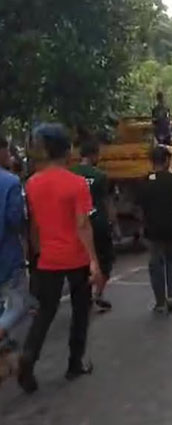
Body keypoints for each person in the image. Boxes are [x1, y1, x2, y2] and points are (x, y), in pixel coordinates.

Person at [18, 124, 102, 393]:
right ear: (67, 151)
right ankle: (74, 363)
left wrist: (36, 251)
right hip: (76, 257)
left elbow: (33, 227)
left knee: (45, 311)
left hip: (47, 258)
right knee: (80, 311)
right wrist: (94, 261)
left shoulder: (32, 183)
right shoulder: (77, 183)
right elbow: (82, 226)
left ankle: (29, 356)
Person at [70, 141, 115, 312]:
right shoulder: (100, 176)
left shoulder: (71, 173)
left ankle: (84, 296)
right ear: (93, 155)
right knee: (105, 260)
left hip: (77, 223)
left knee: (81, 262)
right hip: (98, 222)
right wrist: (113, 222)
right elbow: (107, 202)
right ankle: (99, 293)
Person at [138, 147, 172, 314]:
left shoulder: (145, 181)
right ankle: (171, 297)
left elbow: (141, 209)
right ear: (166, 160)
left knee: (156, 265)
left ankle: (159, 302)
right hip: (171, 228)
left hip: (152, 229)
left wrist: (142, 227)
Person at [0, 142, 32, 357]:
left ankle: (6, 339)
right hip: (6, 254)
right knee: (19, 305)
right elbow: (15, 219)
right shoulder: (10, 182)